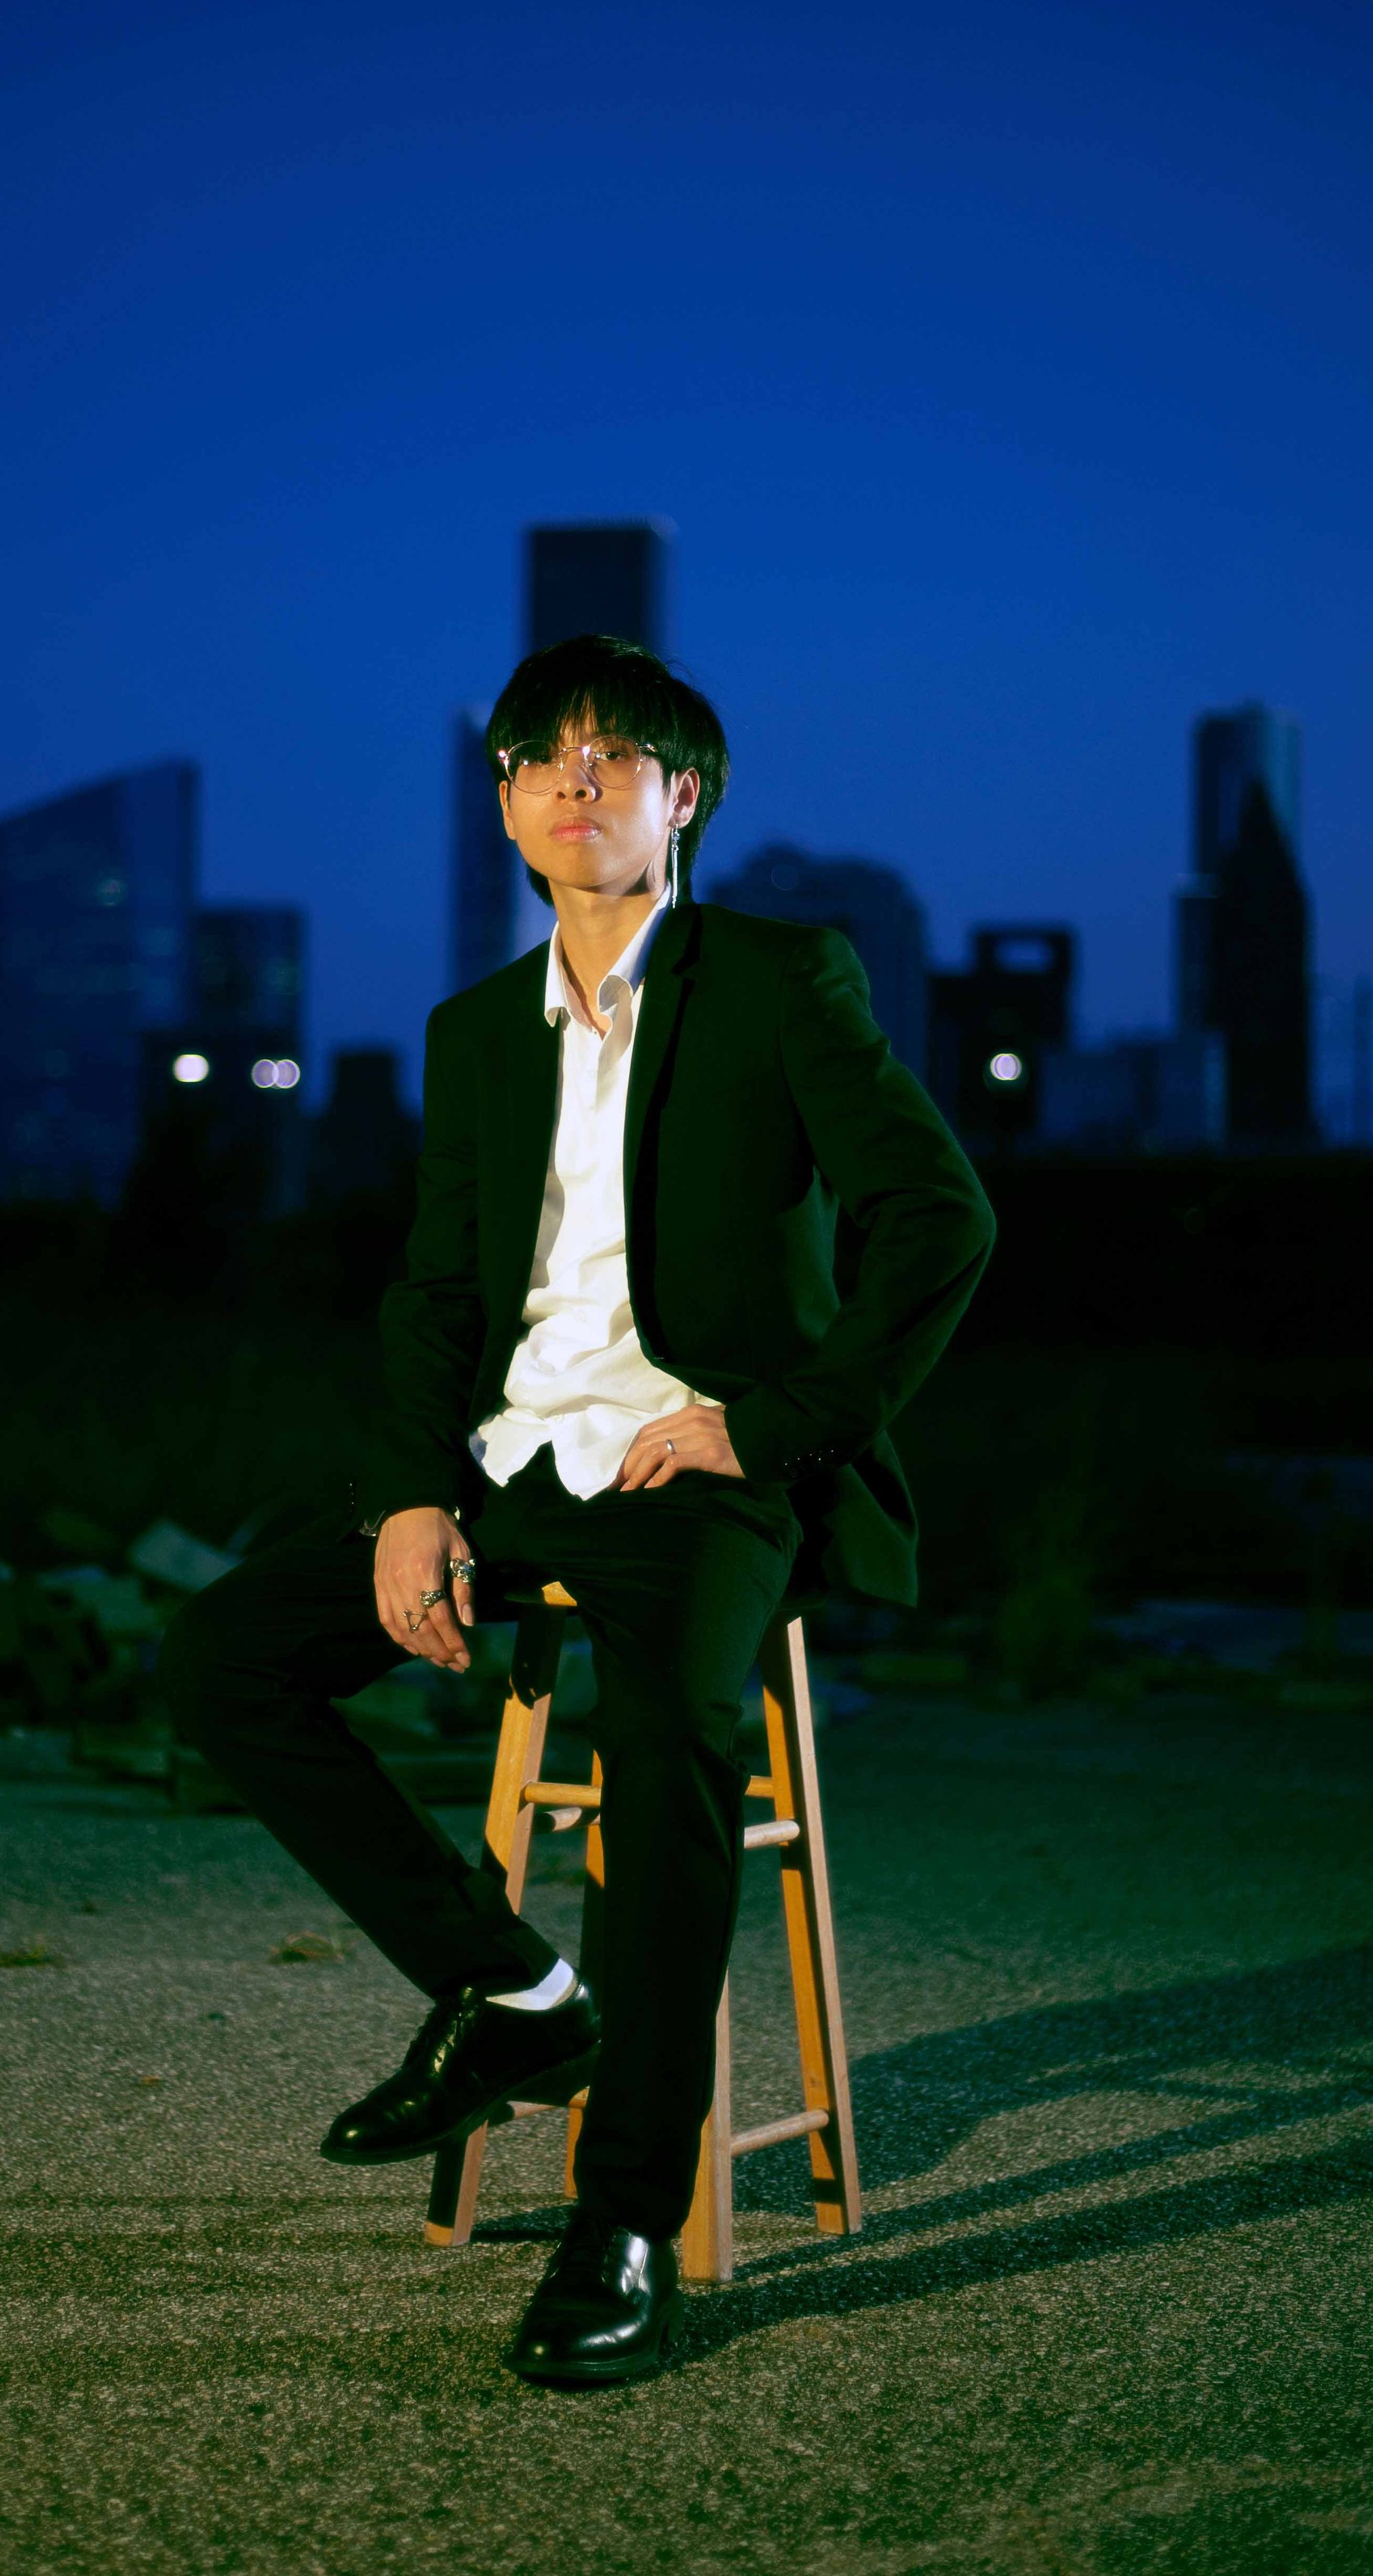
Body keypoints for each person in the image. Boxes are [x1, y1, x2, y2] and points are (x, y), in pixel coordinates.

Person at [161, 635, 994, 2388]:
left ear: (682, 796)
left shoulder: (778, 978)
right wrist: (409, 1495)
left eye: (615, 756)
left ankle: (623, 2219)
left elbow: (939, 1217)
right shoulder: (475, 1031)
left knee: (670, 1739)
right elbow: (433, 1293)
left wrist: (774, 1425)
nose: (575, 779)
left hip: (695, 1469)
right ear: (503, 800)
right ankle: (518, 1998)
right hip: (504, 1468)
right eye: (541, 755)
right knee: (222, 1655)